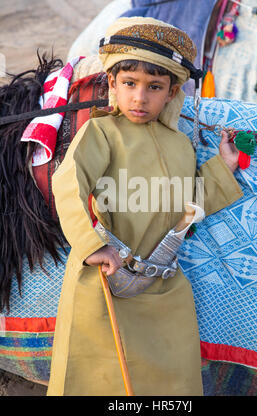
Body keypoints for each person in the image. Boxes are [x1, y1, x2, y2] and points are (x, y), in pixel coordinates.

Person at [47, 16, 243, 396]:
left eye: (154, 87)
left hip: (161, 285)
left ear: (172, 93)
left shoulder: (180, 145)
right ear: (114, 85)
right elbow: (67, 184)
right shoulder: (102, 132)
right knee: (96, 380)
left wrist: (224, 168)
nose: (140, 98)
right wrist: (92, 247)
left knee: (170, 383)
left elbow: (187, 210)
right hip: (105, 279)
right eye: (129, 84)